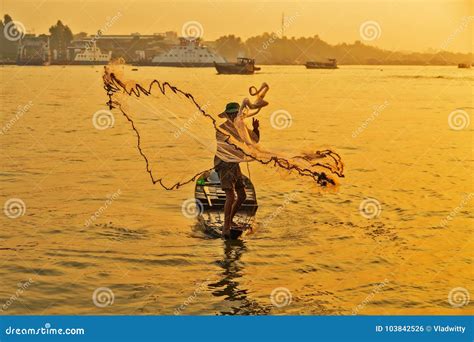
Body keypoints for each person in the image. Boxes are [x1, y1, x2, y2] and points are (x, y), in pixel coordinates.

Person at [214, 83, 269, 239]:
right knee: (230, 196)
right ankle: (226, 228)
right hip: (223, 164)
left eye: (234, 114)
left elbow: (254, 140)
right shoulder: (221, 128)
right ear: (227, 116)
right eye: (231, 114)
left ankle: (229, 221)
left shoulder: (241, 127)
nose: (233, 117)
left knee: (242, 195)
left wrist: (256, 128)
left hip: (234, 165)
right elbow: (225, 144)